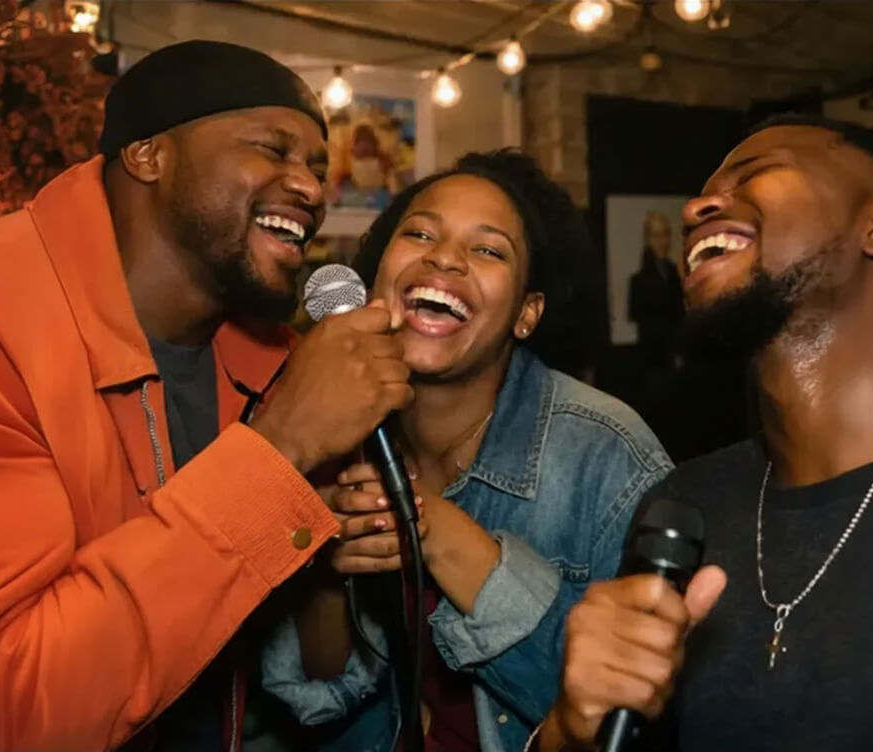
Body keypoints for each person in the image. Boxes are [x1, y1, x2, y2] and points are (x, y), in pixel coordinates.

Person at [0, 40, 416, 751]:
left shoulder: (268, 361)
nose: (309, 188)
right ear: (148, 155)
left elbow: (293, 673)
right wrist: (281, 448)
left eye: (313, 164)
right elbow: (0, 711)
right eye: (273, 148)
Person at [530, 115, 873, 751]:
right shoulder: (685, 508)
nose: (698, 206)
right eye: (705, 192)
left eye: (757, 174)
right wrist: (568, 729)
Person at [260, 150, 674, 752]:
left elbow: (630, 723)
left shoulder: (606, 456)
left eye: (487, 250)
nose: (444, 257)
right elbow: (325, 703)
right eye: (421, 233)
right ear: (372, 284)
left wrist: (432, 529)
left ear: (527, 314)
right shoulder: (336, 433)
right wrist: (323, 562)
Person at [628, 210, 683, 369]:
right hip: (652, 361)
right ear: (648, 239)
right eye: (656, 235)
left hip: (674, 358)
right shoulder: (639, 280)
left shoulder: (673, 273)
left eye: (666, 234)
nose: (663, 241)